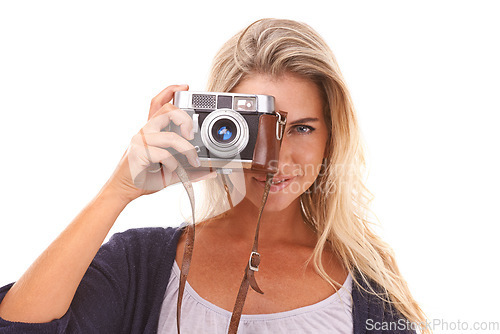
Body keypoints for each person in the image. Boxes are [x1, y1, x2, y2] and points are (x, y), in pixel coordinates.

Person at [0, 18, 427, 333]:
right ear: (216, 127)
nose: (276, 157)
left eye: (301, 128)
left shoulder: (370, 286)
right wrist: (119, 190)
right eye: (260, 128)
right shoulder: (144, 263)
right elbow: (20, 326)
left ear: (332, 138)